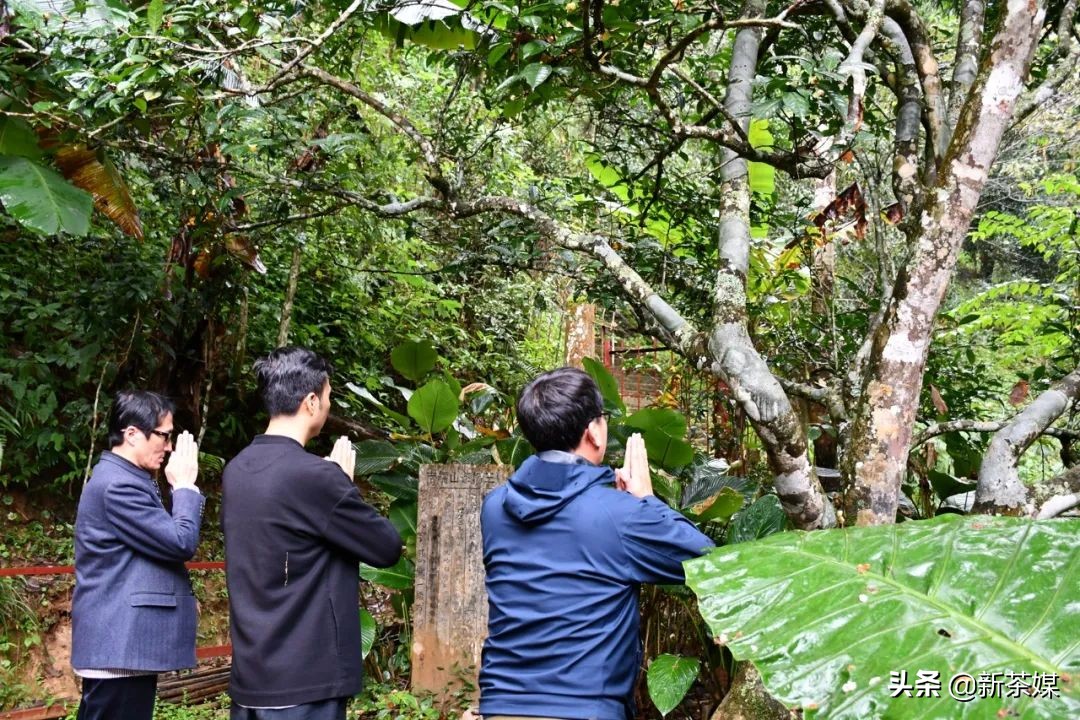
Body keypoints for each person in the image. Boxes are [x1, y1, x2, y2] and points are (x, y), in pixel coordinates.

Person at [479, 367, 714, 720]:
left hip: (500, 706)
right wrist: (646, 501)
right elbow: (707, 560)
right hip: (586, 709)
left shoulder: (495, 508)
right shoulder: (618, 515)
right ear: (593, 432)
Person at [222, 346, 402, 720]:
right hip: (305, 679)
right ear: (310, 401)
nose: (328, 405)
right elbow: (387, 547)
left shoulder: (237, 469)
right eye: (328, 397)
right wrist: (341, 482)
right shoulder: (315, 477)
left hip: (252, 676)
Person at [71, 390, 203, 720]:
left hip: (122, 651)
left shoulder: (126, 478)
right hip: (120, 649)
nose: (169, 446)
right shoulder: (119, 485)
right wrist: (185, 487)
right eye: (164, 435)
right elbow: (179, 541)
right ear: (132, 434)